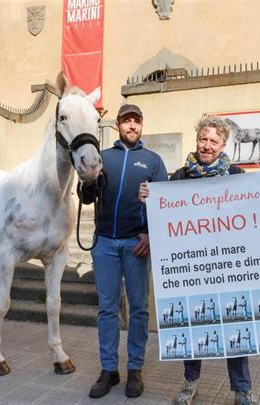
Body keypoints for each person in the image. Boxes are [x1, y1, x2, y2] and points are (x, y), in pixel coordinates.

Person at [139, 115, 260, 405]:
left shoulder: (237, 174)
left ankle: (241, 389)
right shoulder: (178, 177)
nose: (207, 145)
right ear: (197, 140)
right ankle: (190, 383)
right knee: (192, 325)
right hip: (192, 266)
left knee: (236, 325)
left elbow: (255, 209)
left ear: (224, 144)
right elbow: (162, 216)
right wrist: (148, 198)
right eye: (203, 139)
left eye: (214, 141)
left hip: (228, 266)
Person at [79, 104, 168, 399]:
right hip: (104, 243)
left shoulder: (153, 161)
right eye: (127, 121)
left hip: (136, 244)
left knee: (139, 309)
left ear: (142, 125)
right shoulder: (103, 158)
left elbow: (165, 204)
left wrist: (150, 234)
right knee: (107, 308)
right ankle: (109, 370)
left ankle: (135, 370)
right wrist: (87, 184)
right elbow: (87, 196)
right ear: (118, 125)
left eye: (136, 121)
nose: (132, 126)